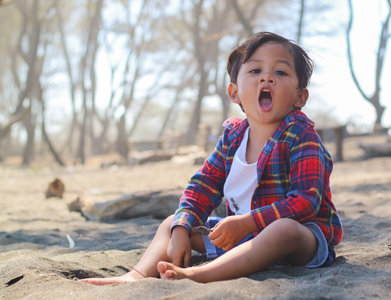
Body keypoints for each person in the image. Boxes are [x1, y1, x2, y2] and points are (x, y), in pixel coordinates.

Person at [80, 32, 343, 285]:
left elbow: (305, 202)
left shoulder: (301, 135)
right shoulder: (232, 137)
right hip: (242, 237)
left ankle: (200, 275)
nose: (267, 79)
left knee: (283, 229)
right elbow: (203, 186)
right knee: (172, 222)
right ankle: (136, 275)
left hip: (299, 241)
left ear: (300, 96)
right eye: (255, 71)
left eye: (280, 72)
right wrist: (183, 229)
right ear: (234, 92)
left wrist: (249, 222)